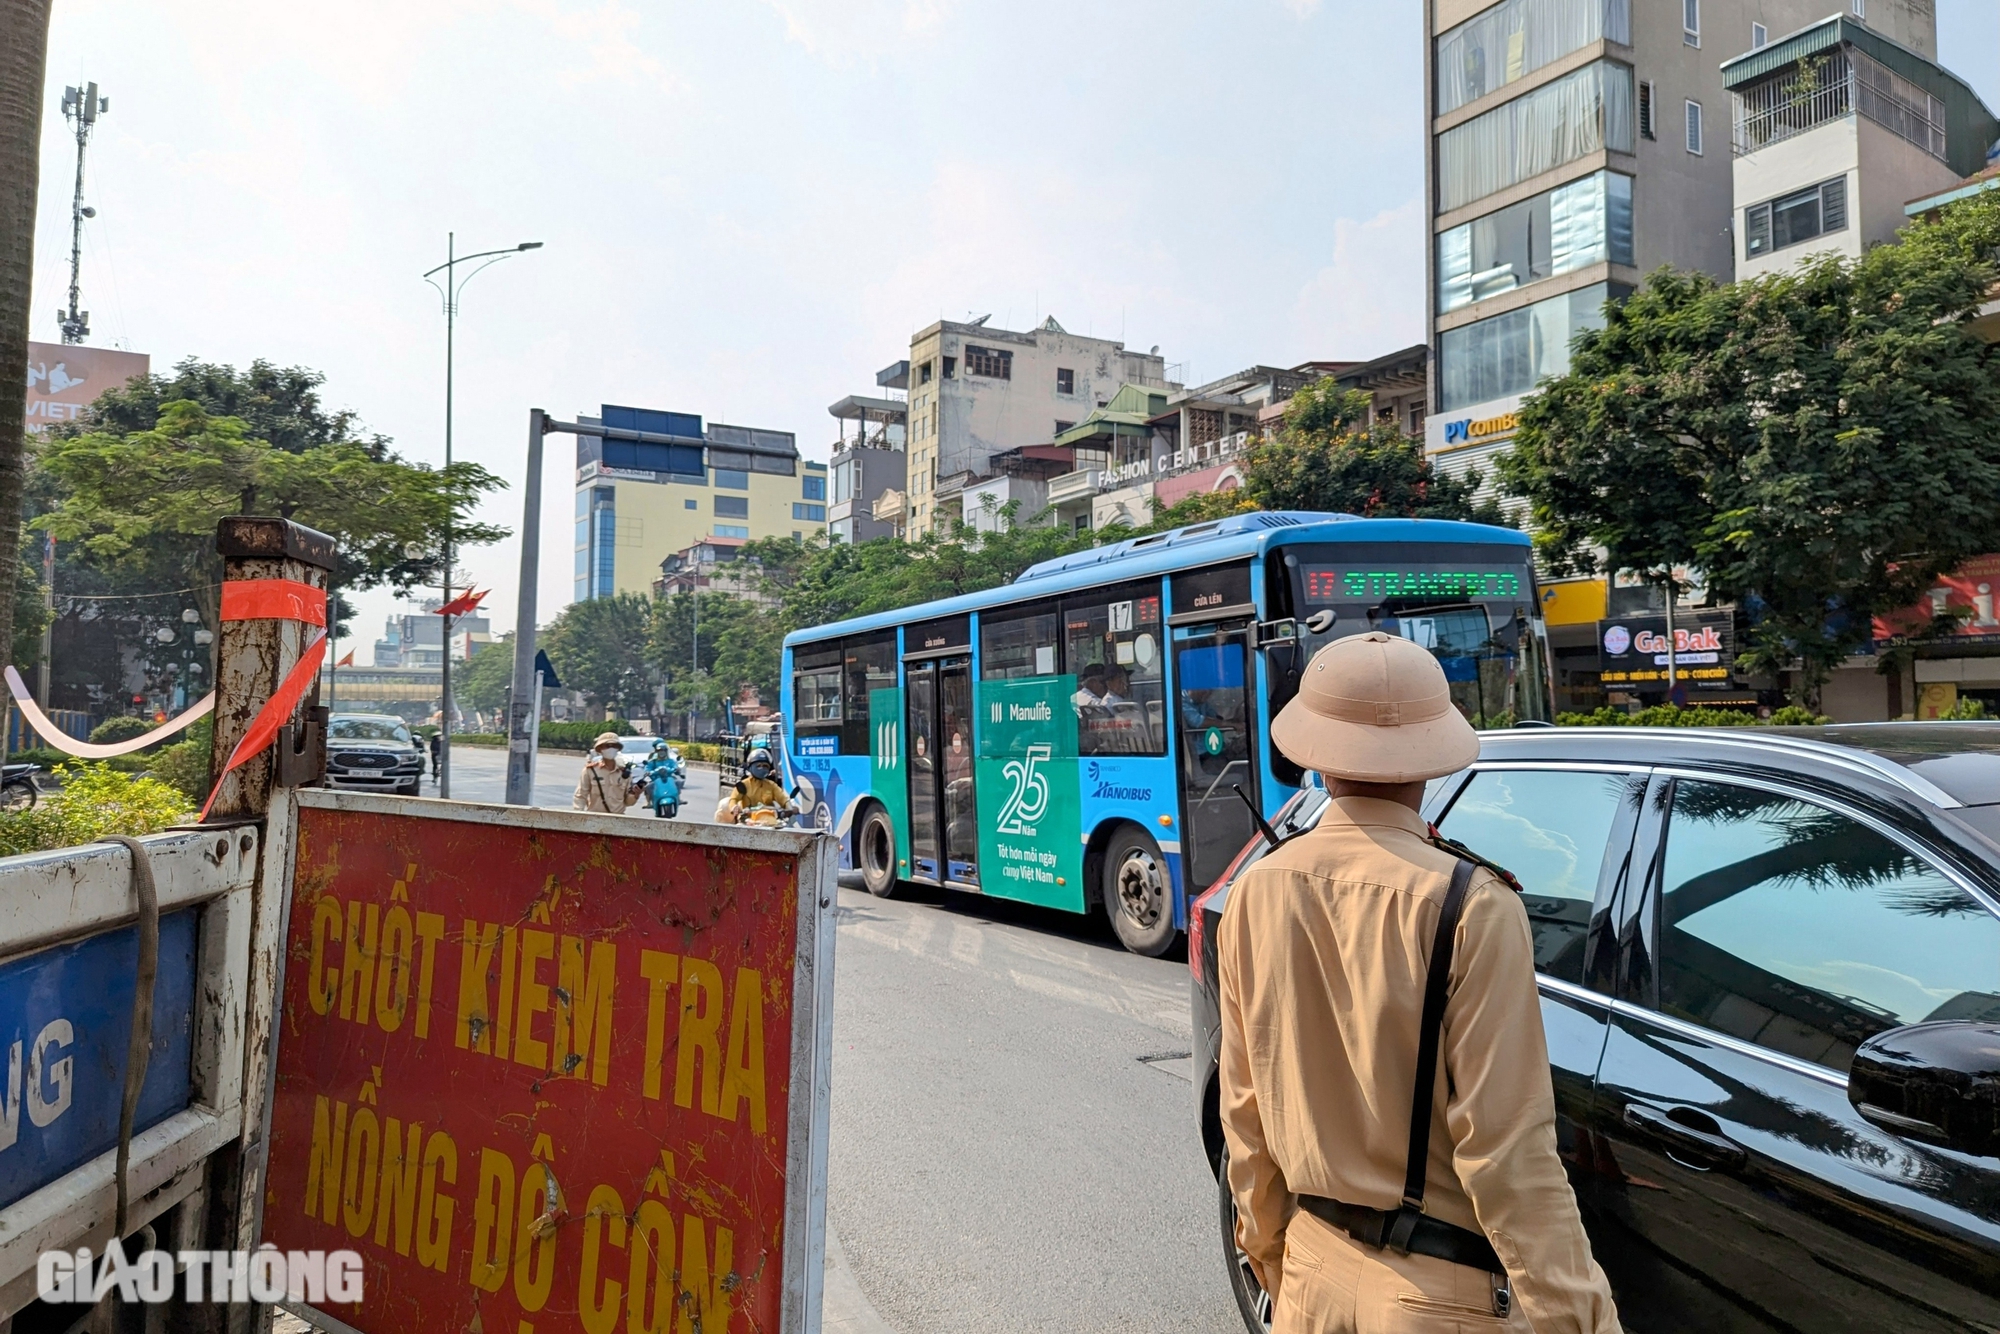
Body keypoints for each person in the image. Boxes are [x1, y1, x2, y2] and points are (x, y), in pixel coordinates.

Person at [1218, 631, 1620, 1334]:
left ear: (1313, 756)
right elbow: (1508, 1155)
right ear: (1432, 759)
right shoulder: (1473, 904)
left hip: (1309, 1272)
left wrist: (1272, 1258)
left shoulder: (1258, 889)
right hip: (1434, 1295)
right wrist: (1580, 1318)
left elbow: (1245, 1114)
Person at [716, 747, 795, 825]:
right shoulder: (743, 784)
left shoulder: (772, 785)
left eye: (765, 766)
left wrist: (789, 807)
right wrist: (734, 807)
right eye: (758, 765)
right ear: (750, 767)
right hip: (747, 820)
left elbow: (783, 799)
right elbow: (733, 799)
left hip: (768, 820)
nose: (762, 768)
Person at [573, 732, 641, 813]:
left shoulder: (624, 773)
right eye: (607, 746)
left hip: (617, 819)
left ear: (618, 749)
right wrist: (578, 816)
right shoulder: (591, 770)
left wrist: (636, 795)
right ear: (600, 749)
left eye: (614, 746)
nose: (611, 749)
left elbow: (627, 802)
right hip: (595, 817)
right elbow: (580, 795)